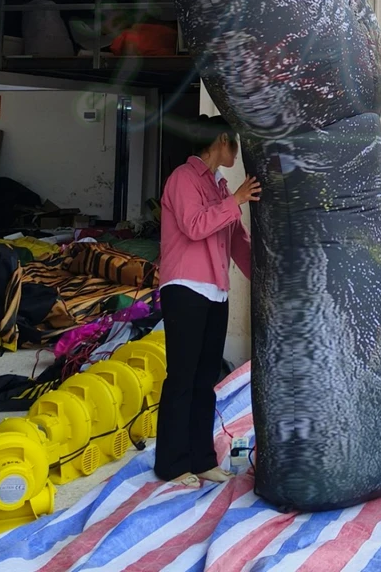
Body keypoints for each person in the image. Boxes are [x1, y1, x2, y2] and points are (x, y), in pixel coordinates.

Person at [154, 115, 261, 486]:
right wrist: (235, 200)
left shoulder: (219, 185)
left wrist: (264, 280)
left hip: (216, 292)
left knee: (205, 380)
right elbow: (196, 225)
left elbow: (237, 241)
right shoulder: (183, 179)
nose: (237, 152)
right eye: (235, 144)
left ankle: (201, 458)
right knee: (181, 378)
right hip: (185, 288)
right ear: (221, 140)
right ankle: (171, 463)